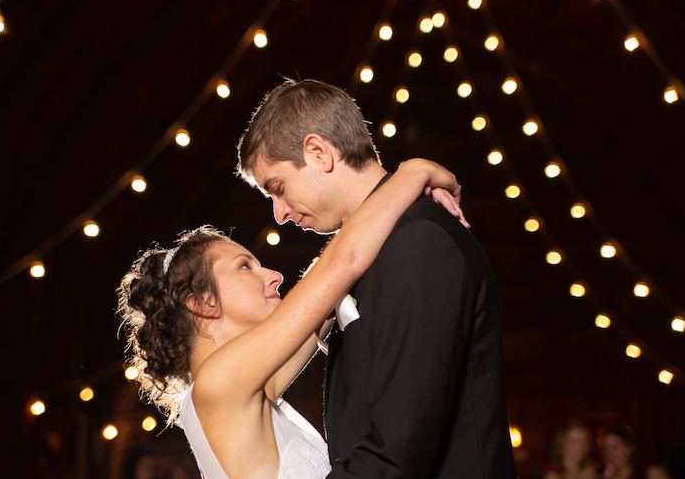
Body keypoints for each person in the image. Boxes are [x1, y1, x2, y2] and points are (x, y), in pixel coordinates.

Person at [237, 78, 518, 478]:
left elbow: (398, 447)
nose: (279, 214)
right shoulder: (364, 252)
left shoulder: (418, 243)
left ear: (318, 152)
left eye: (278, 188)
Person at [117, 159, 465, 479]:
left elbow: (322, 296)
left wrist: (387, 203)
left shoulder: (243, 393)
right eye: (245, 266)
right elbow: (341, 264)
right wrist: (414, 172)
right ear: (203, 302)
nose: (274, 275)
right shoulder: (217, 384)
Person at [596, 425, 669, 479]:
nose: (610, 453)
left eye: (615, 447)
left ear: (629, 448)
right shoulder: (602, 477)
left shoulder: (650, 473)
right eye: (606, 449)